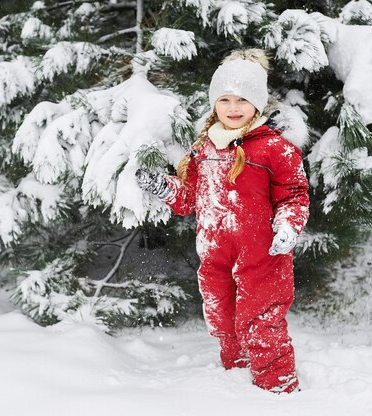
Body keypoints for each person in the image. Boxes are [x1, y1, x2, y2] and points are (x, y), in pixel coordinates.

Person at [135, 49, 310, 394]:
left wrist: (288, 227)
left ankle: (279, 389)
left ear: (258, 104)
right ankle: (237, 383)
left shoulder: (275, 148)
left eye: (243, 99)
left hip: (263, 255)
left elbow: (294, 195)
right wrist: (163, 187)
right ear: (215, 103)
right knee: (223, 320)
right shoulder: (203, 149)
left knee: (261, 322)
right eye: (225, 99)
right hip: (215, 254)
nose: (233, 108)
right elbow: (189, 198)